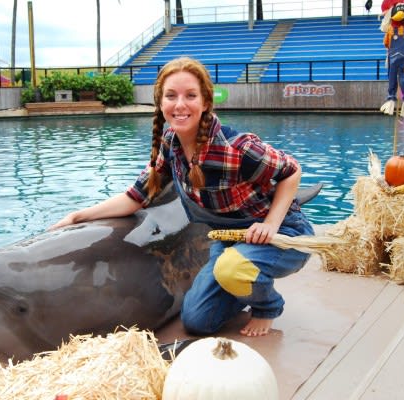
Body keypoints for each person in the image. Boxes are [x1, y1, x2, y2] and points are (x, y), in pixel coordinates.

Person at [49, 56, 314, 337]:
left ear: (205, 102)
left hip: (281, 236)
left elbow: (292, 171)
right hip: (229, 241)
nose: (180, 105)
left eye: (190, 96)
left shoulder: (235, 148)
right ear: (161, 103)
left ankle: (267, 307)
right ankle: (240, 285)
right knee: (198, 320)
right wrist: (77, 216)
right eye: (171, 96)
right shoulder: (171, 146)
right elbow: (136, 197)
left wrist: (271, 224)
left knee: (233, 269)